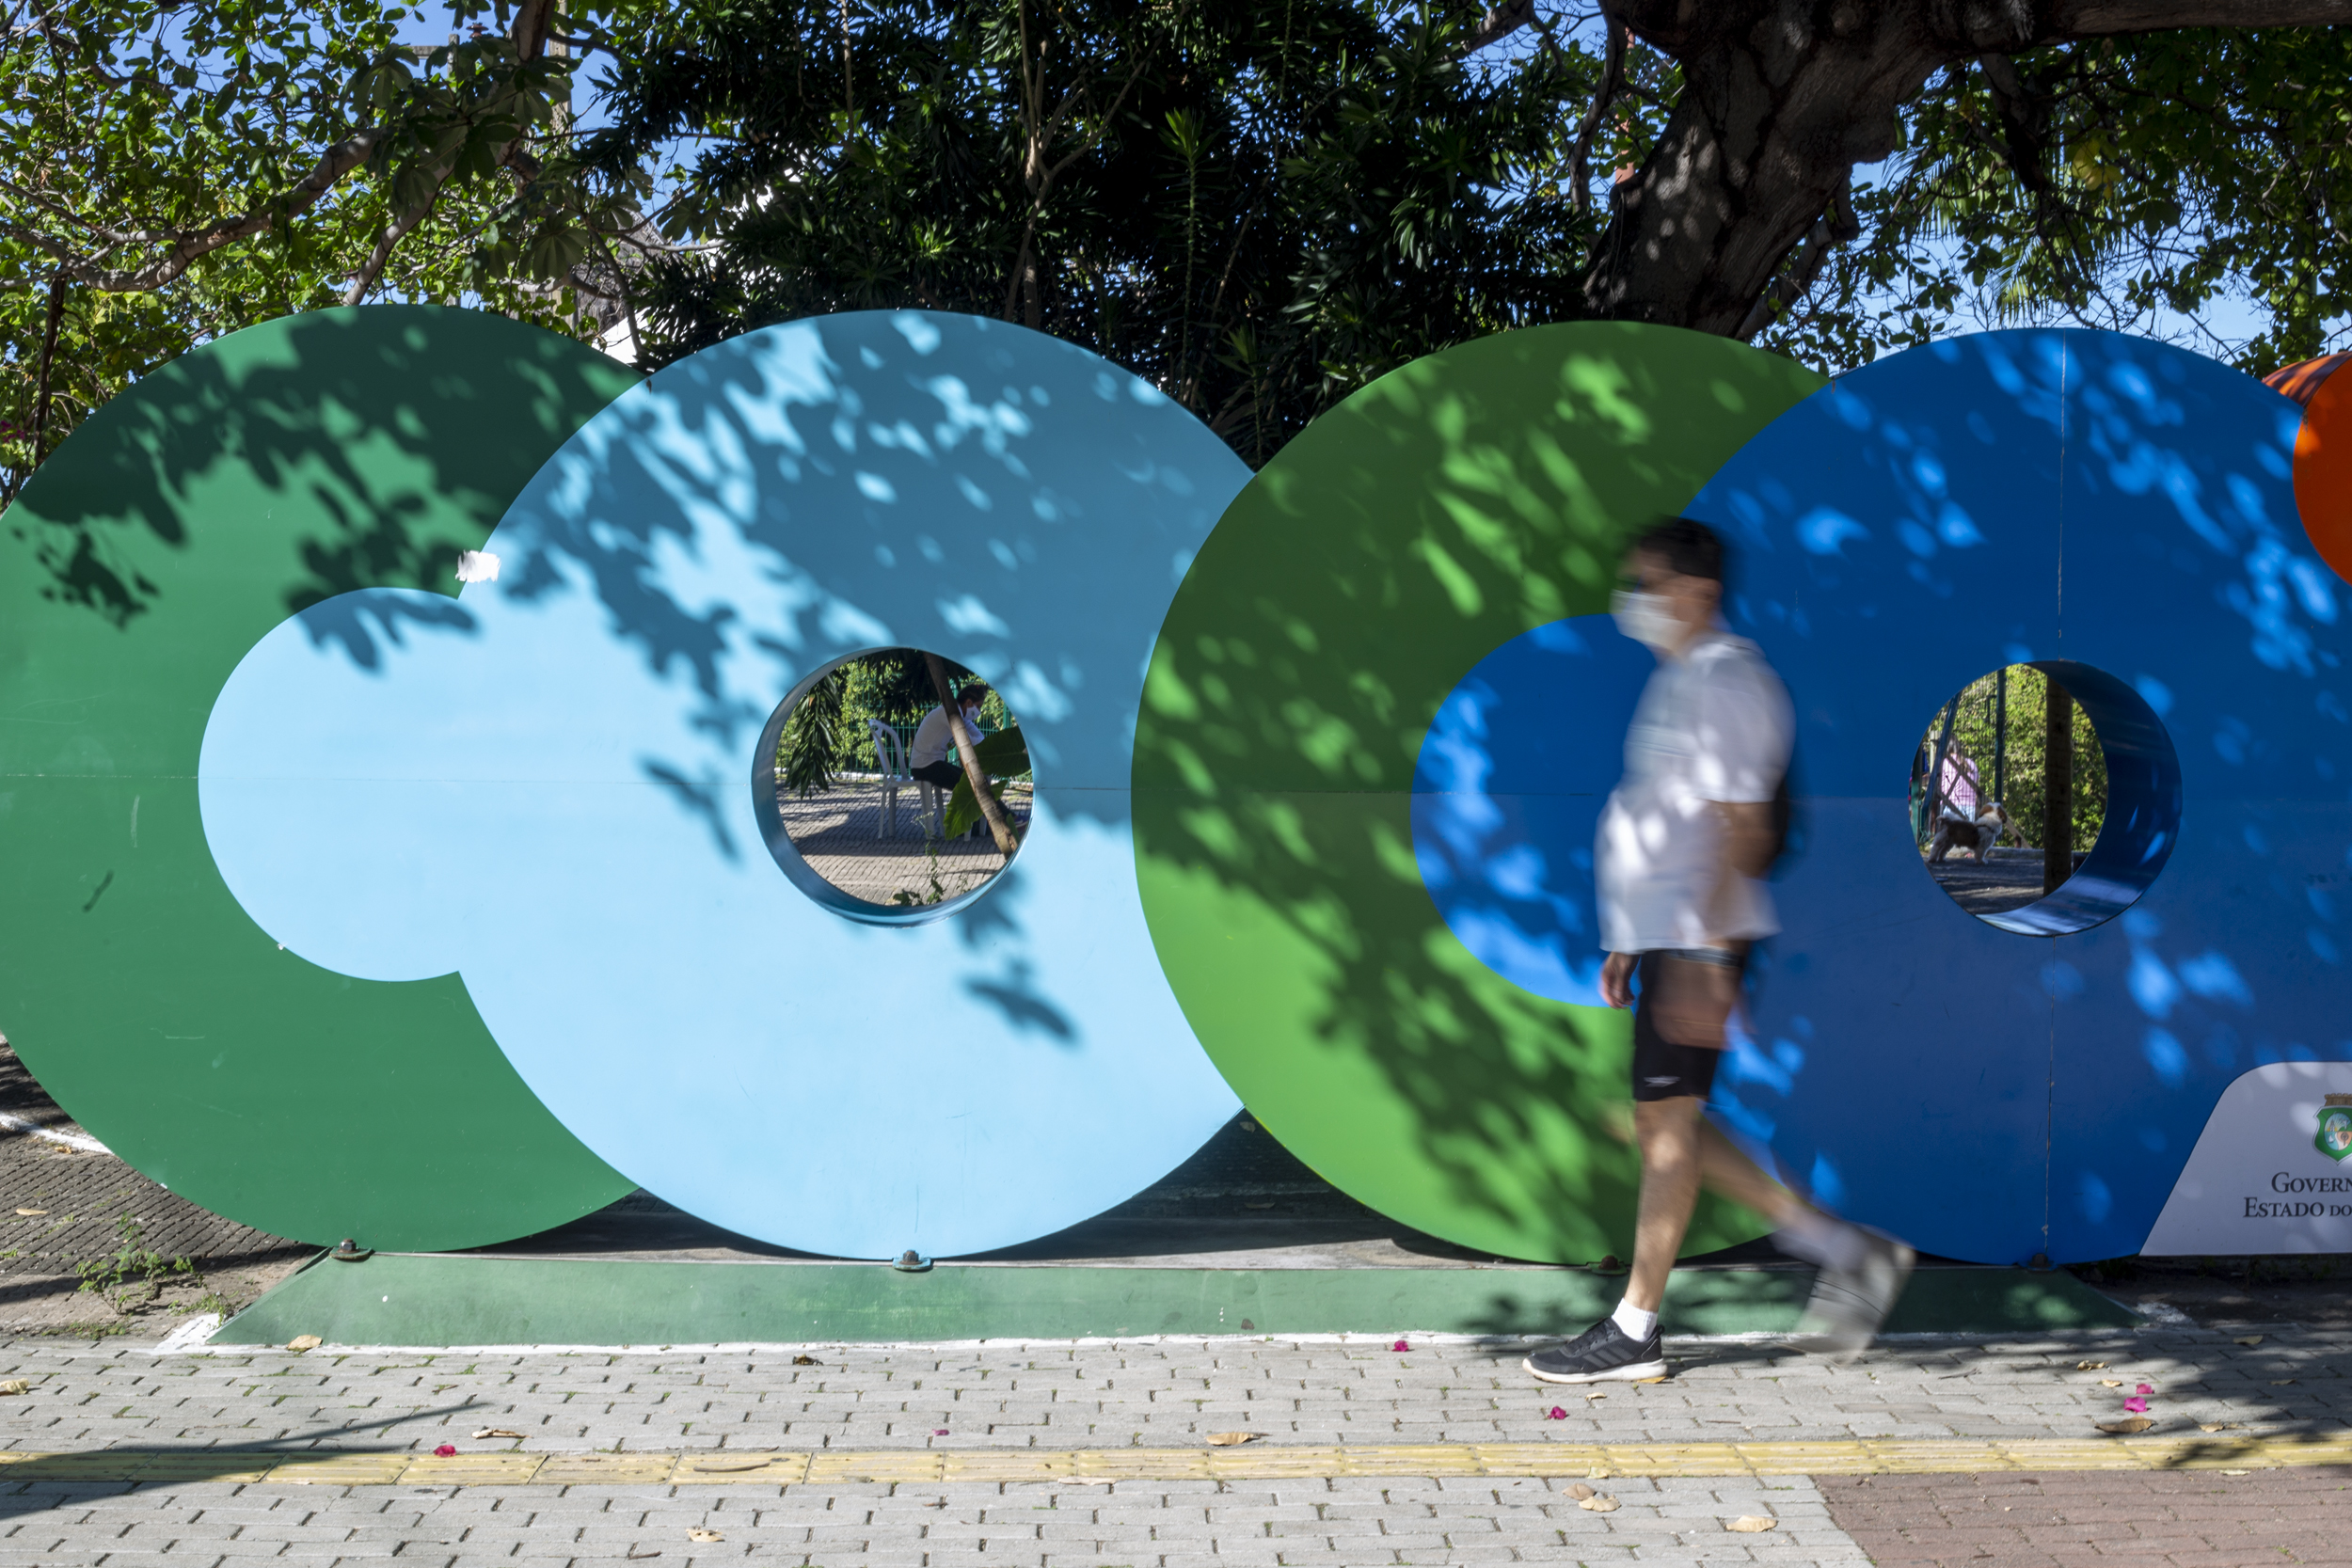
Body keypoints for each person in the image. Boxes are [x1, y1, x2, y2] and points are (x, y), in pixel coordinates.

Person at [1524, 517, 1914, 1386]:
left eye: (1648, 582)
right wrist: (1631, 937)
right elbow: (1658, 821)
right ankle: (1846, 1249)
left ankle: (1635, 1327)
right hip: (1669, 937)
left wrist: (1705, 956)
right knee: (1666, 1123)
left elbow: (1746, 825)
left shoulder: (1732, 684)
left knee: (1665, 1129)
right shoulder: (1684, 677)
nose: (1634, 600)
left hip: (1698, 940)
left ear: (1696, 591)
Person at [909, 683, 991, 809]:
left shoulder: (961, 716)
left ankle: (981, 827)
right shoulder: (951, 714)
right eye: (978, 707)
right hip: (924, 767)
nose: (979, 711)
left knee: (977, 782)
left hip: (935, 763)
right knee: (974, 785)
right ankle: (1008, 818)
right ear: (969, 703)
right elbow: (967, 741)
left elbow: (980, 740)